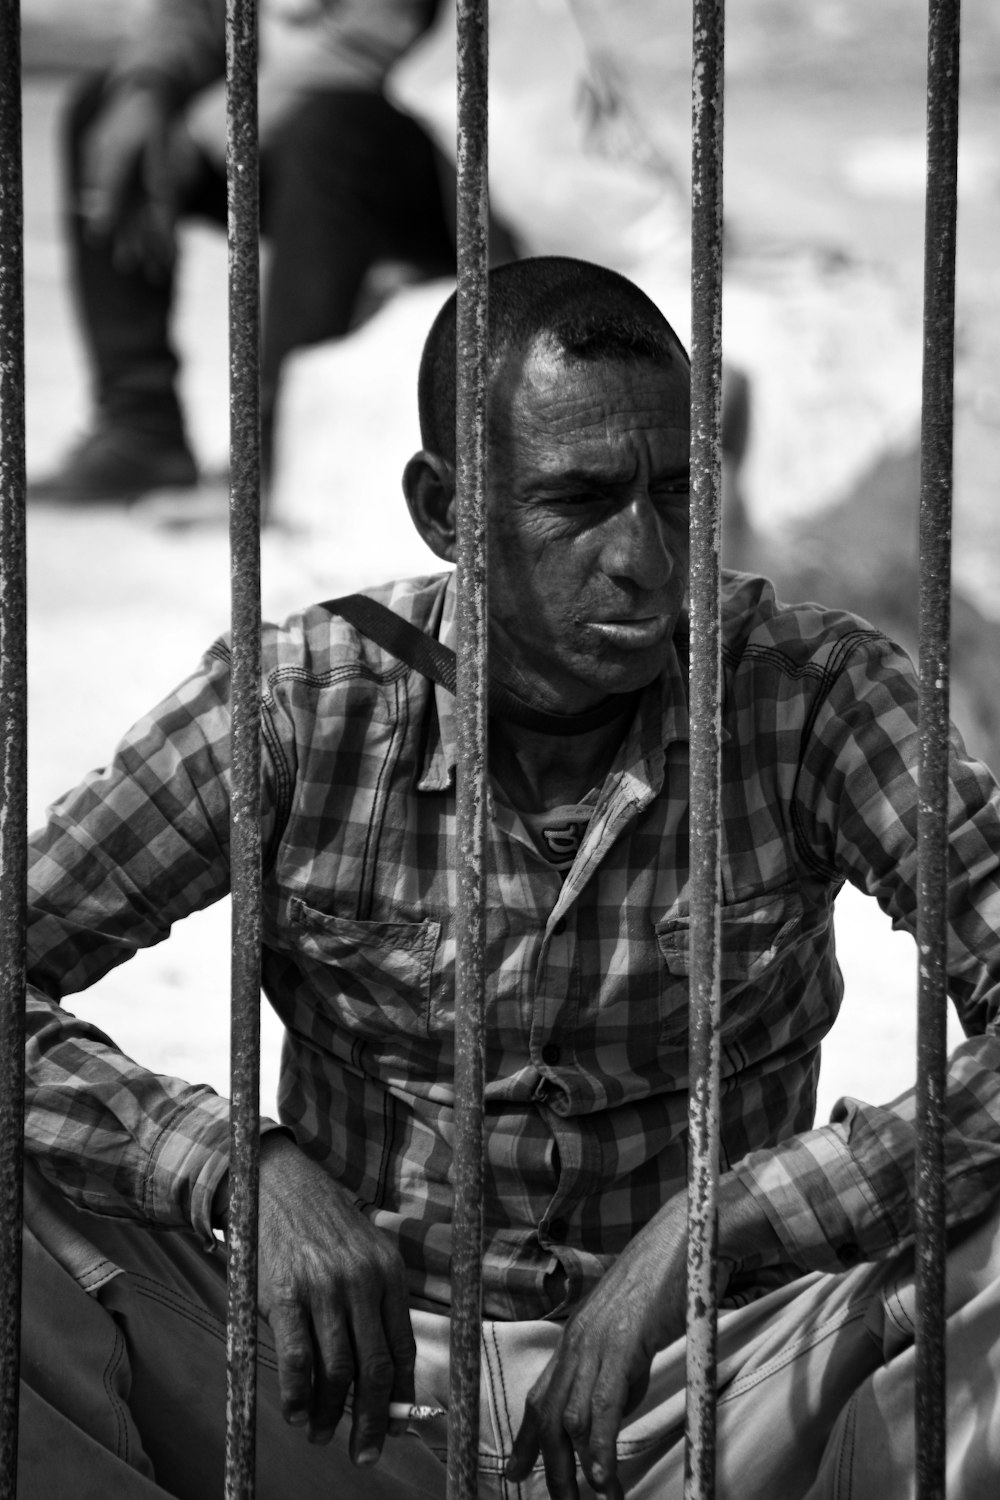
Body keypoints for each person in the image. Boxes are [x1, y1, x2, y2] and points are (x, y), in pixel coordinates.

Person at [18, 255, 1000, 1499]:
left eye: (676, 489)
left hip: (716, 1384)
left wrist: (721, 1227)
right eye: (578, 501)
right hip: (335, 1392)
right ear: (445, 511)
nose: (645, 558)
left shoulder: (812, 696)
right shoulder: (301, 704)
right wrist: (239, 1165)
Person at [28, 0, 515, 510]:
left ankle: (270, 452)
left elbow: (379, 39)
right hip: (268, 118)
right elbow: (191, 14)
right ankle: (140, 426)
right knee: (105, 115)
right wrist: (146, 88)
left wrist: (204, 130)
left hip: (424, 154)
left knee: (328, 131)